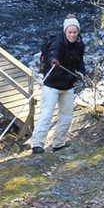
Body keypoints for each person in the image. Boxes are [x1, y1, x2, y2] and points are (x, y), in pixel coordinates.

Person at [30, 14, 87, 154]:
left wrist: (81, 73)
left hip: (68, 85)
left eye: (75, 32)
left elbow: (80, 61)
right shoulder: (57, 42)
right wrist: (53, 61)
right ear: (65, 31)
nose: (72, 35)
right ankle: (37, 145)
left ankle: (58, 144)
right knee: (46, 114)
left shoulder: (80, 44)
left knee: (67, 116)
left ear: (78, 32)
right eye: (70, 32)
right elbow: (53, 53)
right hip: (52, 85)